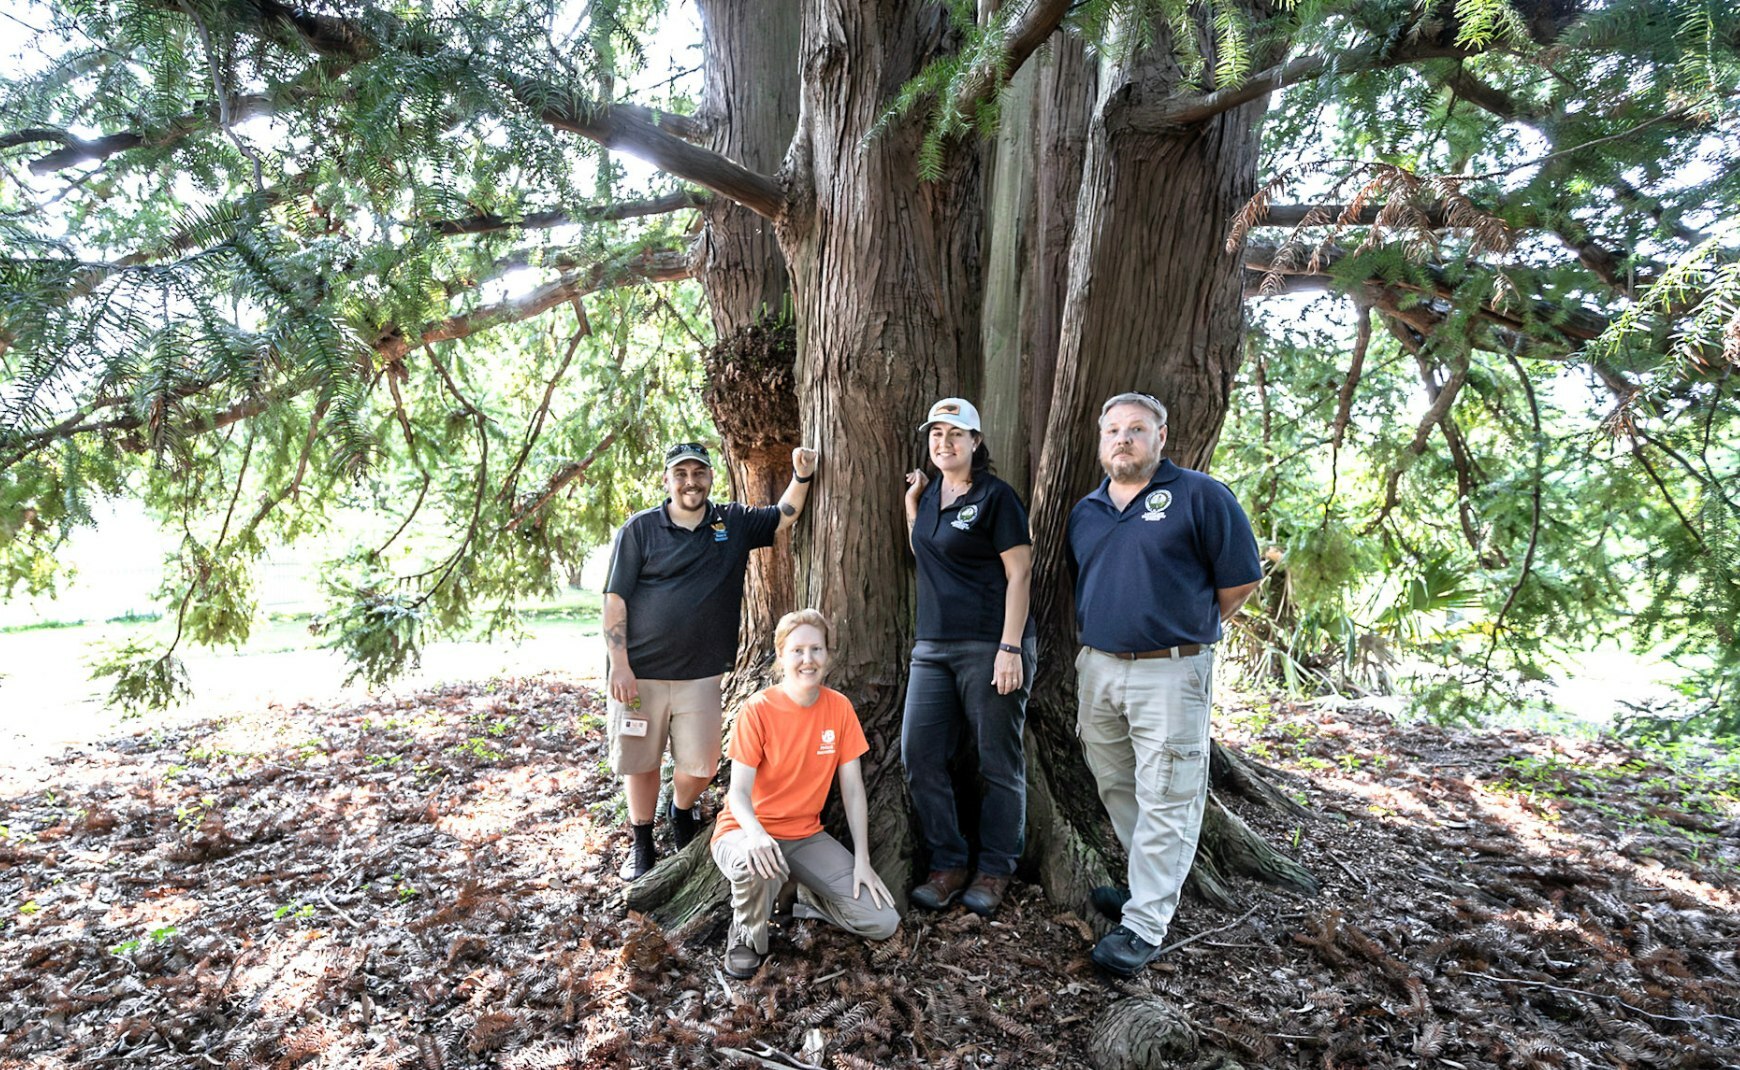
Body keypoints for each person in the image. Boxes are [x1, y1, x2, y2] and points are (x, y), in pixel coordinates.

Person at [1067, 392, 1262, 976]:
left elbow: (1240, 582)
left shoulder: (1201, 495)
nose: (1123, 439)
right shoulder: (1087, 510)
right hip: (1099, 667)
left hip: (1172, 670)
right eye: (1113, 431)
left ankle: (1145, 925)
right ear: (1102, 442)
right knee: (1117, 784)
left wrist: (1187, 631)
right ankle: (1139, 892)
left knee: (1169, 794)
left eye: (1137, 429)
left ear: (1161, 438)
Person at [603, 441, 819, 880]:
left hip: (701, 675)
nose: (690, 482)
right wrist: (619, 664)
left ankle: (680, 809)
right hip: (639, 675)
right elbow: (614, 601)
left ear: (710, 478)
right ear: (667, 480)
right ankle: (641, 843)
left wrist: (803, 476)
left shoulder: (731, 523)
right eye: (680, 473)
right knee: (640, 762)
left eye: (698, 473)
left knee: (700, 767)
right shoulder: (640, 530)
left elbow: (782, 517)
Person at [900, 398, 1035, 917]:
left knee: (997, 761)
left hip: (989, 644)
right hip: (932, 649)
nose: (945, 442)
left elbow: (1020, 574)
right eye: (936, 433)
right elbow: (926, 550)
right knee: (920, 757)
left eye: (956, 434)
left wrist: (1010, 647)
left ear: (976, 443)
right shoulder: (932, 494)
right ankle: (949, 862)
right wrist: (913, 501)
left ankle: (996, 869)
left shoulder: (998, 498)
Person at [710, 609, 899, 978]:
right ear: (781, 657)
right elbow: (738, 793)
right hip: (745, 832)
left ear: (828, 655)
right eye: (797, 651)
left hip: (804, 836)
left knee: (882, 920)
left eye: (816, 649)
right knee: (759, 865)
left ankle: (803, 896)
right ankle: (746, 935)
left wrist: (862, 858)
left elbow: (853, 791)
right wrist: (757, 835)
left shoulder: (839, 708)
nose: (807, 659)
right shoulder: (758, 710)